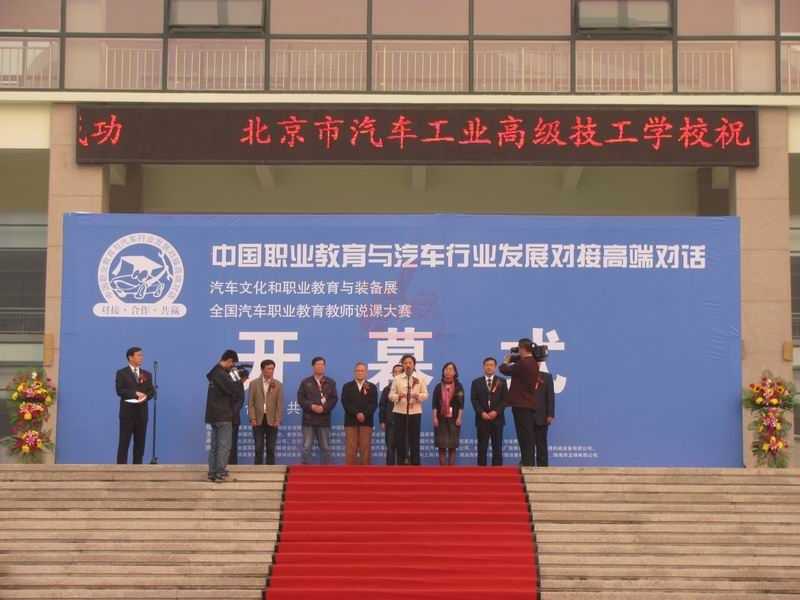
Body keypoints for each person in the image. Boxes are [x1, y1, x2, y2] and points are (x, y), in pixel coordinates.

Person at [499, 338, 540, 467]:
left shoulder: (524, 363)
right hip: (527, 403)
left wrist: (506, 361)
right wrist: (515, 357)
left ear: (522, 348)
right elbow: (520, 359)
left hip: (521, 404)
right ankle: (527, 460)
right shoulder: (532, 361)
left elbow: (504, 369)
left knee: (525, 435)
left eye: (519, 348)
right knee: (526, 435)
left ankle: (528, 462)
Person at [205, 349, 241, 482]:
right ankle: (220, 472)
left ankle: (213, 472)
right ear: (229, 360)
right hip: (223, 415)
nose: (232, 367)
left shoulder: (214, 372)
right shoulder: (222, 374)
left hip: (213, 415)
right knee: (224, 445)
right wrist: (236, 376)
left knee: (215, 445)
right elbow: (235, 390)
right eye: (232, 364)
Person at [115, 346, 155, 464]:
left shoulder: (147, 374)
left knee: (140, 444)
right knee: (124, 442)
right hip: (127, 414)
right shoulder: (122, 373)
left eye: (142, 355)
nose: (141, 357)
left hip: (142, 413)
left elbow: (151, 391)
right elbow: (120, 390)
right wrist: (135, 393)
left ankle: (138, 469)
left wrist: (145, 396)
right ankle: (121, 469)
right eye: (139, 355)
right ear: (130, 357)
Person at [297, 356, 338, 464]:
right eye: (318, 364)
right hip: (309, 420)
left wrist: (323, 408)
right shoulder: (305, 382)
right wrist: (312, 406)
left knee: (326, 447)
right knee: (306, 447)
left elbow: (334, 399)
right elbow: (301, 399)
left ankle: (326, 471)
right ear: (313, 366)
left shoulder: (330, 382)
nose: (320, 366)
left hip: (324, 419)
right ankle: (305, 471)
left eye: (322, 364)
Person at [389, 354, 428, 466]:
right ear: (402, 365)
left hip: (415, 412)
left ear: (414, 365)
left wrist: (418, 396)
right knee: (400, 439)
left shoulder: (420, 378)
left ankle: (415, 464)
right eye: (405, 363)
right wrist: (398, 396)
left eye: (410, 363)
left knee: (414, 439)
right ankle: (401, 464)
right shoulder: (397, 379)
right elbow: (391, 395)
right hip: (400, 412)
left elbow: (425, 394)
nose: (408, 365)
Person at [471, 357, 508, 466]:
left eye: (491, 365)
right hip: (482, 419)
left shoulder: (502, 381)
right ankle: (481, 470)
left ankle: (497, 470)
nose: (489, 367)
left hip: (497, 419)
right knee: (482, 446)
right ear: (483, 367)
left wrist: (496, 411)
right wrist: (481, 412)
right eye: (487, 365)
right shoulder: (476, 382)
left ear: (495, 367)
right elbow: (474, 400)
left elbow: (505, 400)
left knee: (497, 446)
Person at [341, 362, 378, 465]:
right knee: (351, 448)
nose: (360, 372)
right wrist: (357, 413)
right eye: (358, 370)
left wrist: (364, 414)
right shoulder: (347, 386)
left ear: (366, 373)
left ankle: (365, 473)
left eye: (362, 371)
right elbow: (345, 402)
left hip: (366, 421)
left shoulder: (372, 387)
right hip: (351, 421)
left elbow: (373, 404)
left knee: (365, 449)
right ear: (354, 372)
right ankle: (349, 472)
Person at [248, 359, 283, 465]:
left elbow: (279, 404)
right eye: (269, 369)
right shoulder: (254, 383)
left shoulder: (278, 384)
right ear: (262, 370)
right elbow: (251, 403)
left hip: (272, 419)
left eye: (272, 369)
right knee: (258, 447)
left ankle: (271, 469)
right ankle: (258, 470)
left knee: (271, 447)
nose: (271, 371)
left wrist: (278, 419)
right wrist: (252, 418)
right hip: (258, 419)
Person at [432, 362, 465, 466]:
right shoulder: (438, 387)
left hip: (454, 418)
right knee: (441, 445)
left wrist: (459, 418)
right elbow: (434, 404)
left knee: (452, 445)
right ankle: (442, 470)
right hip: (440, 418)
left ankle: (451, 470)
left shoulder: (458, 387)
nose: (448, 371)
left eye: (451, 369)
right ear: (443, 372)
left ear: (455, 372)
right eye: (446, 369)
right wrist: (434, 418)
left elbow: (461, 404)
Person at [531, 366, 555, 467]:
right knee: (527, 443)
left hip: (542, 416)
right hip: (526, 416)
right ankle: (527, 464)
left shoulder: (547, 377)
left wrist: (550, 414)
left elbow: (550, 397)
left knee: (541, 443)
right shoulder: (523, 376)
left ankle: (543, 466)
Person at [379, 364, 404, 465]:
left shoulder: (408, 388)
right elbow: (382, 406)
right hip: (391, 422)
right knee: (390, 447)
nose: (397, 374)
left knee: (403, 447)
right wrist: (382, 421)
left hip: (404, 422)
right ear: (392, 374)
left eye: (400, 372)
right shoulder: (387, 389)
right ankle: (389, 471)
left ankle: (403, 471)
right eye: (395, 372)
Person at [228, 363, 247, 465]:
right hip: (221, 418)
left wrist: (231, 414)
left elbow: (240, 401)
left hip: (233, 419)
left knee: (232, 443)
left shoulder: (238, 384)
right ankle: (220, 465)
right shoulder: (222, 382)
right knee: (222, 444)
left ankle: (232, 464)